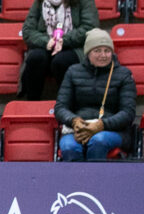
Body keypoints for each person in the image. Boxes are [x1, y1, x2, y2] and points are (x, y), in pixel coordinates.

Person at [20, 0, 99, 101]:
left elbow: (90, 28)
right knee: (35, 57)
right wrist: (47, 41)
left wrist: (65, 41)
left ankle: (68, 103)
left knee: (61, 61)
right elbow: (28, 30)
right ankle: (31, 102)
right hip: (47, 45)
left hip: (73, 47)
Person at [54, 28, 137, 161]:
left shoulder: (124, 75)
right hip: (79, 128)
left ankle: (97, 181)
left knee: (99, 141)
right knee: (69, 146)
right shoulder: (73, 72)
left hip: (113, 130)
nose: (103, 55)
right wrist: (74, 121)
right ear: (88, 53)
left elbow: (128, 113)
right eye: (97, 51)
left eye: (107, 51)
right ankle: (73, 181)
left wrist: (101, 125)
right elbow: (60, 108)